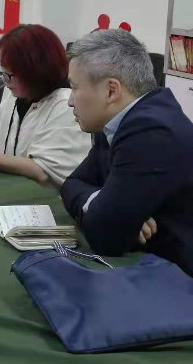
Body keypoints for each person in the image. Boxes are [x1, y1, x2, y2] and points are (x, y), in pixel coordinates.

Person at [62, 30, 193, 274]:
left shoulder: (152, 132)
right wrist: (99, 202)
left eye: (74, 87)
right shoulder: (117, 121)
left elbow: (105, 235)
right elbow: (72, 184)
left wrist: (113, 216)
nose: (70, 101)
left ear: (111, 91)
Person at [0, 24, 91, 188]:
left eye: (10, 74)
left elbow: (39, 170)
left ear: (36, 71)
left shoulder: (65, 105)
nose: (4, 80)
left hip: (45, 197)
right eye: (2, 71)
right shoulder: (16, 95)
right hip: (10, 188)